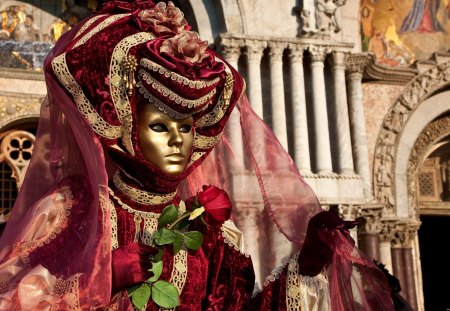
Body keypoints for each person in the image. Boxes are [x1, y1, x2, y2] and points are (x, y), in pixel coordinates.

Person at [0, 1, 393, 310]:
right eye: (159, 126)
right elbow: (11, 297)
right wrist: (100, 281)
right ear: (128, 127)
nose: (177, 141)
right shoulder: (75, 208)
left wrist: (307, 265)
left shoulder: (203, 229)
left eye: (185, 127)